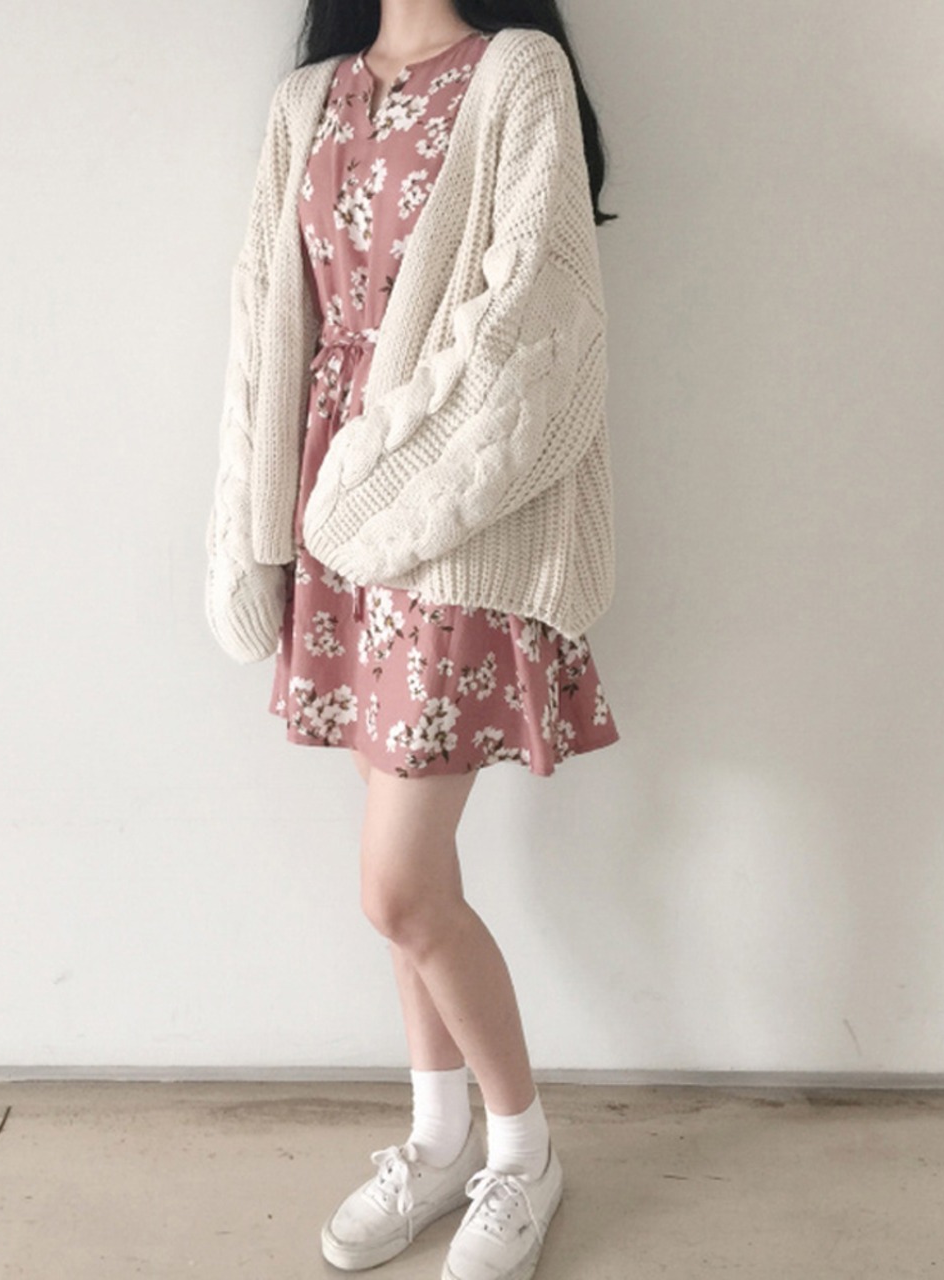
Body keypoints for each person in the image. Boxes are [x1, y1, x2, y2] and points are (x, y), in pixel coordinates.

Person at [205, 3, 619, 1278]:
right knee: (412, 888)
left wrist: (384, 484)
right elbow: (264, 319)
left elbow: (535, 320)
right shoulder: (307, 100)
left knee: (396, 886)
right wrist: (257, 531)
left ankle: (522, 1151)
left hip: (449, 515)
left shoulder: (515, 73)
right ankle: (437, 1138)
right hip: (329, 531)